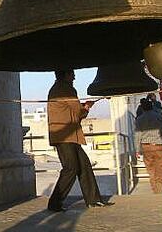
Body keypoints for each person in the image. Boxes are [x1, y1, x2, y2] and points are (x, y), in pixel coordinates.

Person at [46, 70, 114, 211]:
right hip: (65, 136)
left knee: (84, 166)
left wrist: (84, 106)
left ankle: (94, 200)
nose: (74, 76)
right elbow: (78, 113)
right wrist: (87, 107)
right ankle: (55, 203)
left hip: (68, 136)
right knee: (71, 168)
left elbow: (71, 109)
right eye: (72, 74)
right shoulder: (66, 88)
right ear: (66, 75)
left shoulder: (57, 88)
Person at [135, 98, 162, 194]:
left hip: (146, 147)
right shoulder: (159, 116)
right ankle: (159, 187)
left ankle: (156, 189)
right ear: (152, 107)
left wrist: (137, 150)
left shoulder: (139, 120)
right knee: (161, 167)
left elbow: (137, 136)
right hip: (159, 145)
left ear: (143, 108)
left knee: (151, 169)